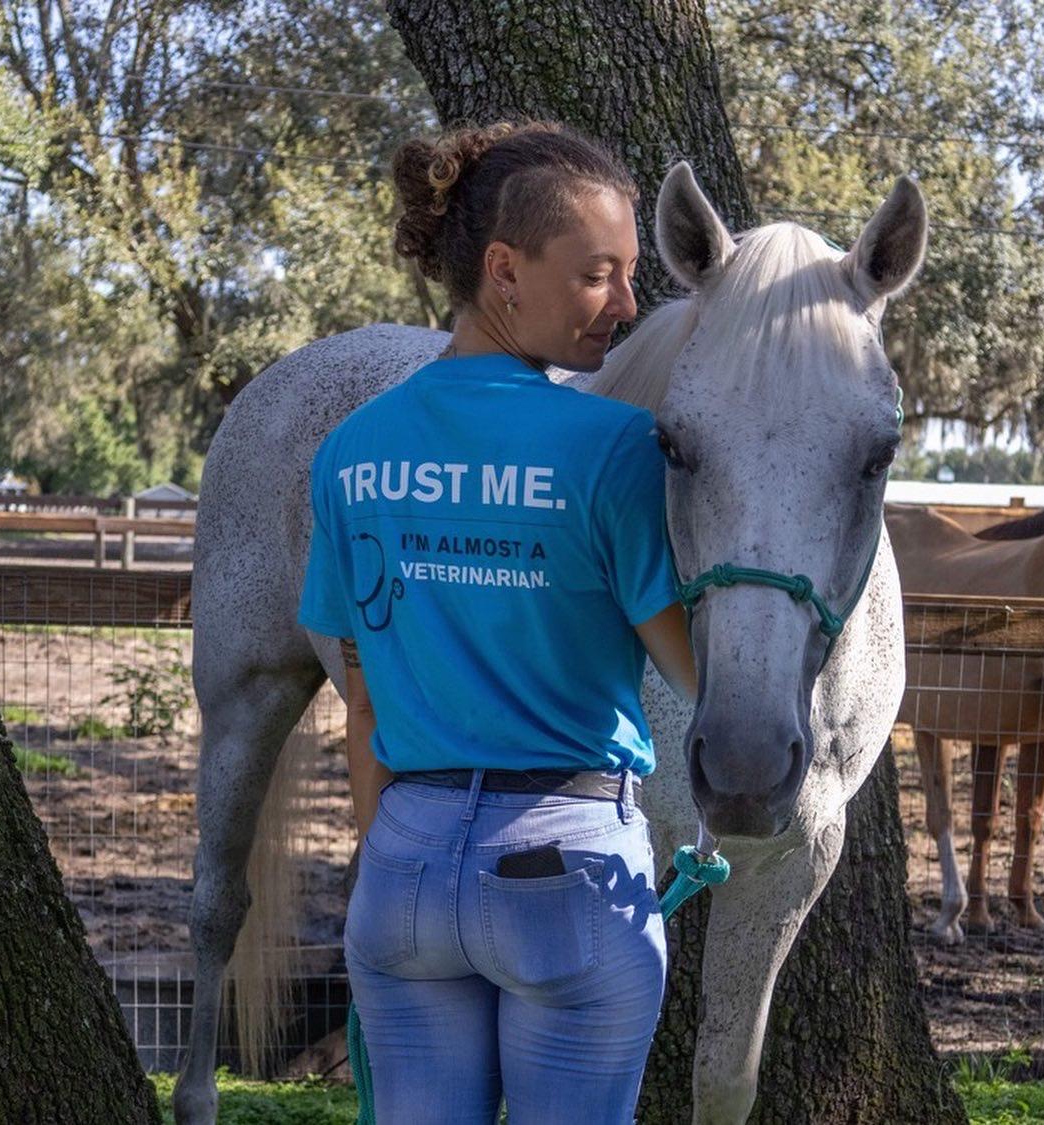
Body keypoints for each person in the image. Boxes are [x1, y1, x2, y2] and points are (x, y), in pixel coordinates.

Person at [297, 119, 698, 1125]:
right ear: (504, 269)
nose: (628, 304)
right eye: (598, 275)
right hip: (566, 865)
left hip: (404, 872)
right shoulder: (614, 448)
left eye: (631, 274)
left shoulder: (352, 451)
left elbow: (362, 697)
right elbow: (693, 671)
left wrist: (390, 868)